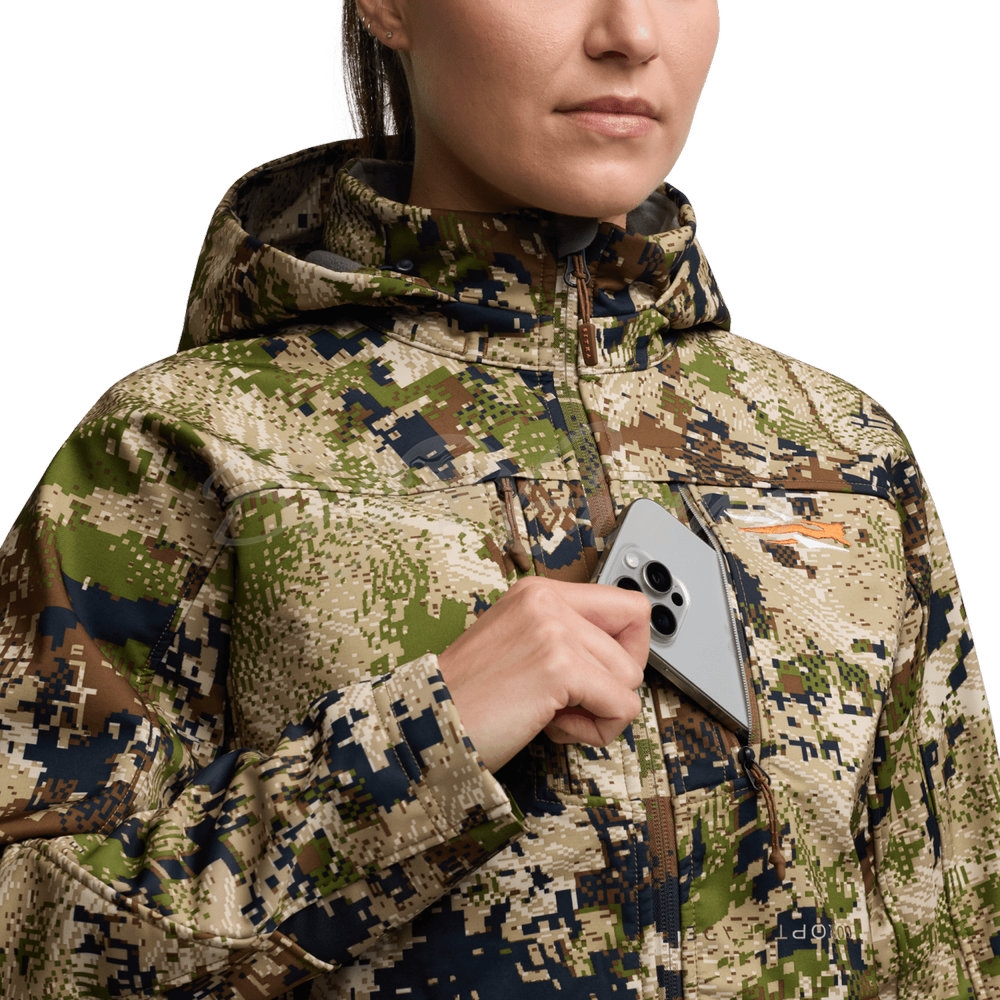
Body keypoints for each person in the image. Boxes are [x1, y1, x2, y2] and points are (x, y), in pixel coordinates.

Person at [1, 1, 998, 998]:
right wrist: (415, 747)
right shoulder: (188, 446)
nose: (631, 33)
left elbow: (954, 943)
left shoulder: (838, 450)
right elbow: (31, 948)